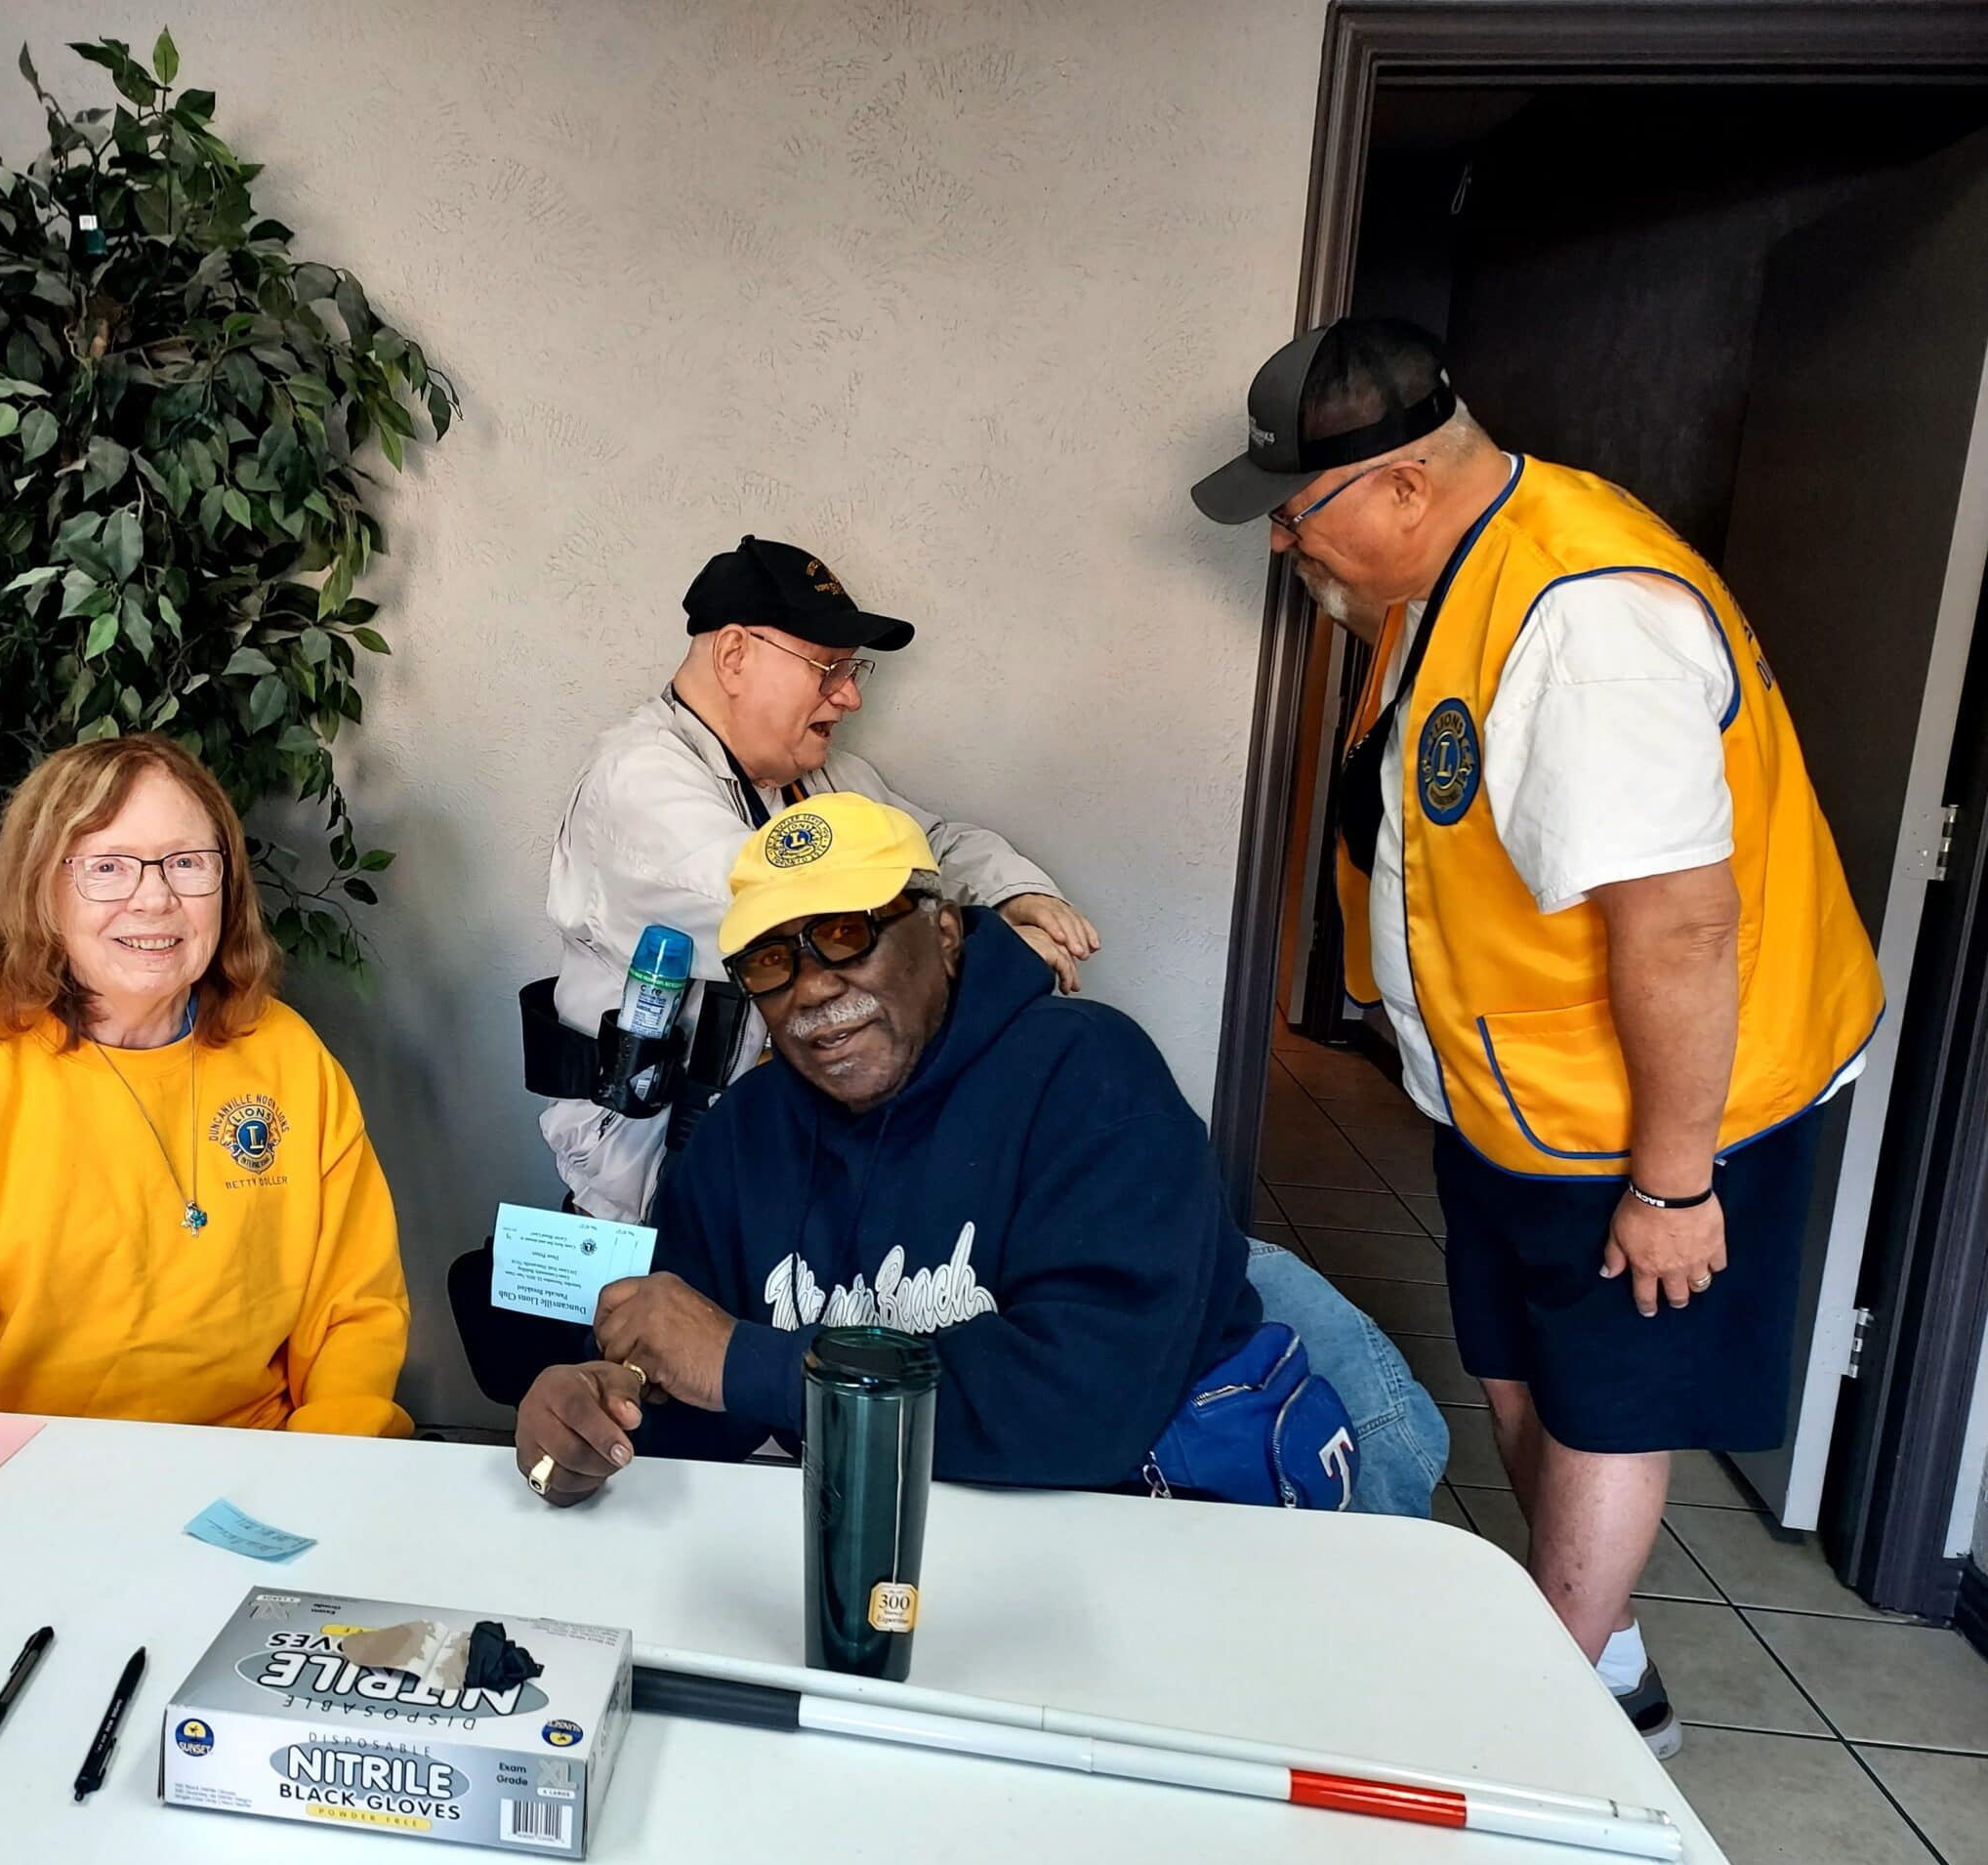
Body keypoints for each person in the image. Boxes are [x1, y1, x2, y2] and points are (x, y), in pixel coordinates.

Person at [1192, 317, 1884, 1756]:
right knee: (1525, 1362)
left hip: (1645, 1115)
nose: (1284, 546)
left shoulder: (1583, 619)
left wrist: (1674, 1180)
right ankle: (1603, 1652)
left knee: (1607, 1399)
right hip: (1518, 1100)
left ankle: (1545, 1721)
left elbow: (1683, 925)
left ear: (1399, 486)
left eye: (1297, 512)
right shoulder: (1452, 585)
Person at [511, 794, 1395, 1510]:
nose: (814, 986)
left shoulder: (1090, 1076)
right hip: (871, 1557)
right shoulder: (743, 1136)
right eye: (773, 960)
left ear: (943, 932)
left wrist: (750, 1362)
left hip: (1122, 1539)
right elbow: (700, 1388)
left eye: (848, 933)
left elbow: (1083, 1406)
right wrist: (604, 1410)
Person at [0, 733, 412, 1435]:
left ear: (226, 884)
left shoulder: (287, 1055)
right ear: (41, 887)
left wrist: (319, 1479)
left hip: (251, 1477)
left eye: (185, 863)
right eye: (108, 867)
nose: (154, 899)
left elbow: (354, 1319)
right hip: (11, 1481)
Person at [540, 534, 1099, 1225]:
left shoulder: (810, 774)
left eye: (852, 668)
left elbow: (935, 845)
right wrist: (995, 950)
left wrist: (1018, 892)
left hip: (787, 1160)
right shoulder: (639, 783)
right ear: (735, 656)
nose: (851, 697)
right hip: (658, 1191)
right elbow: (794, 923)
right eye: (827, 667)